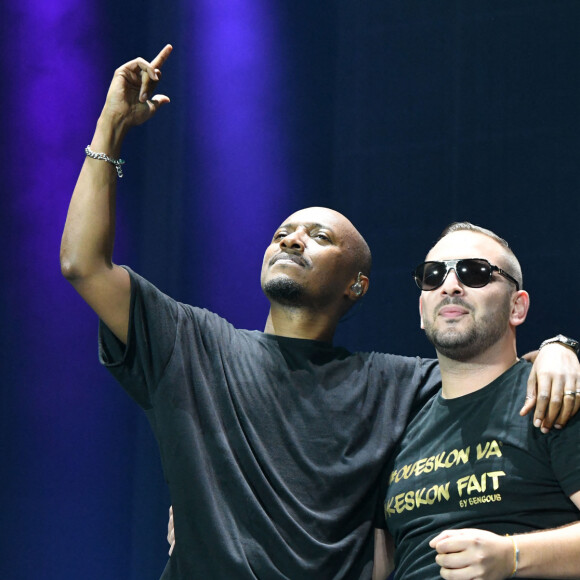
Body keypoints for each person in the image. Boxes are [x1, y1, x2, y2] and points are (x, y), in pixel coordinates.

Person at [60, 45, 580, 579]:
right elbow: (83, 265)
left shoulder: (395, 385)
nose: (292, 241)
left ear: (357, 284)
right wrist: (109, 128)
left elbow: (482, 364)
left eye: (318, 236)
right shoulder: (192, 345)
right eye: (282, 233)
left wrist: (562, 351)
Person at [374, 223, 580, 579]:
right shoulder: (399, 428)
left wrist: (513, 555)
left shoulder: (554, 393)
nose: (450, 285)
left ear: (517, 307)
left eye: (475, 273)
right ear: (422, 310)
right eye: (433, 275)